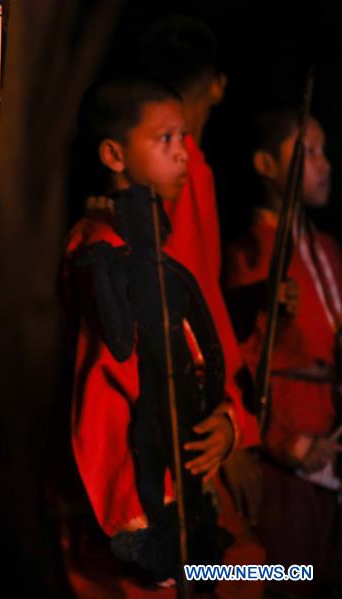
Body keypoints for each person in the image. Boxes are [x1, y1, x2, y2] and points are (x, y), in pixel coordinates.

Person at [60, 78, 245, 594]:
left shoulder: (149, 242)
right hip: (140, 501)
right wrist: (140, 516)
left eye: (184, 138)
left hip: (184, 478)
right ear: (114, 153)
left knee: (270, 572)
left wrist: (226, 422)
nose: (183, 154)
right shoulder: (99, 250)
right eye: (165, 139)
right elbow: (105, 388)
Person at [136, 16, 264, 529]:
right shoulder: (181, 176)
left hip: (194, 409)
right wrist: (231, 417)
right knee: (232, 568)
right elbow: (192, 307)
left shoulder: (193, 170)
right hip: (190, 418)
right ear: (217, 85)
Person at [224, 111, 342, 595]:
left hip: (333, 445)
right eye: (307, 152)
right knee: (285, 579)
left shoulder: (329, 249)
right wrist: (285, 443)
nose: (324, 164)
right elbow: (240, 366)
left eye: (323, 151)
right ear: (266, 164)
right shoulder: (249, 254)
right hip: (285, 460)